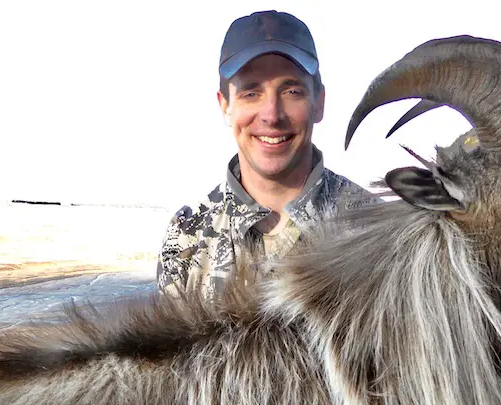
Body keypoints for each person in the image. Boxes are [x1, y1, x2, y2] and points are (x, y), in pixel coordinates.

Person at [157, 10, 375, 300]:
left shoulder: (373, 228)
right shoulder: (186, 235)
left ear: (319, 103)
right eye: (251, 93)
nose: (271, 115)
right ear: (225, 106)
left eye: (292, 91)